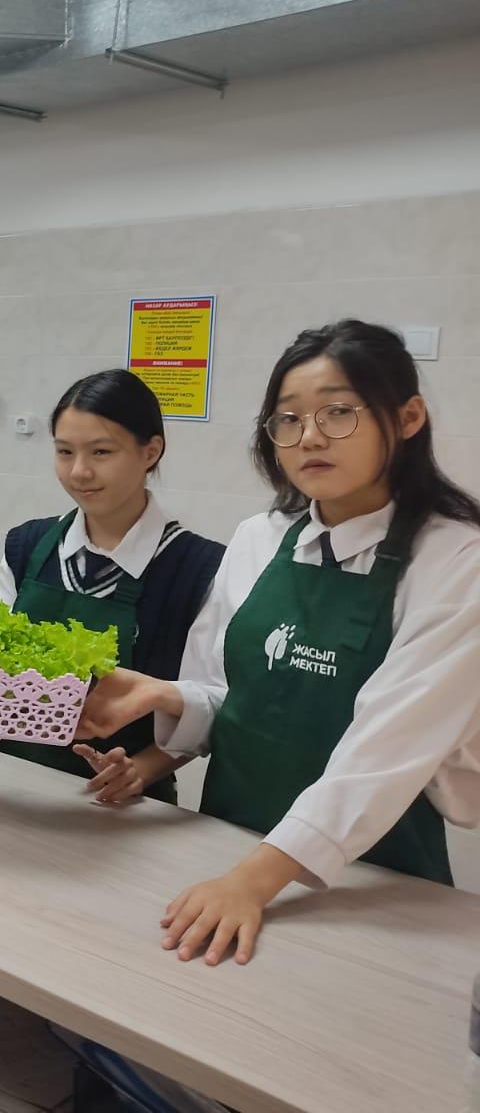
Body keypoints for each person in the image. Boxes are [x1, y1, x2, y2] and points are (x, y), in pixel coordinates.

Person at [78, 320, 480, 966]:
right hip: (225, 846)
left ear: (407, 418)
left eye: (338, 412)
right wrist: (163, 696)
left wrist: (253, 882)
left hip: (367, 881)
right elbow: (229, 696)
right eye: (287, 419)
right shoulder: (258, 539)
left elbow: (385, 755)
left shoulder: (456, 560)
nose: (309, 436)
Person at [0, 370, 223, 802]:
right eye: (65, 452)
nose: (79, 472)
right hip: (14, 782)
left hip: (125, 802)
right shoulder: (26, 546)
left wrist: (140, 770)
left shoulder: (198, 567)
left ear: (150, 451)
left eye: (101, 452)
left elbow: (211, 704)